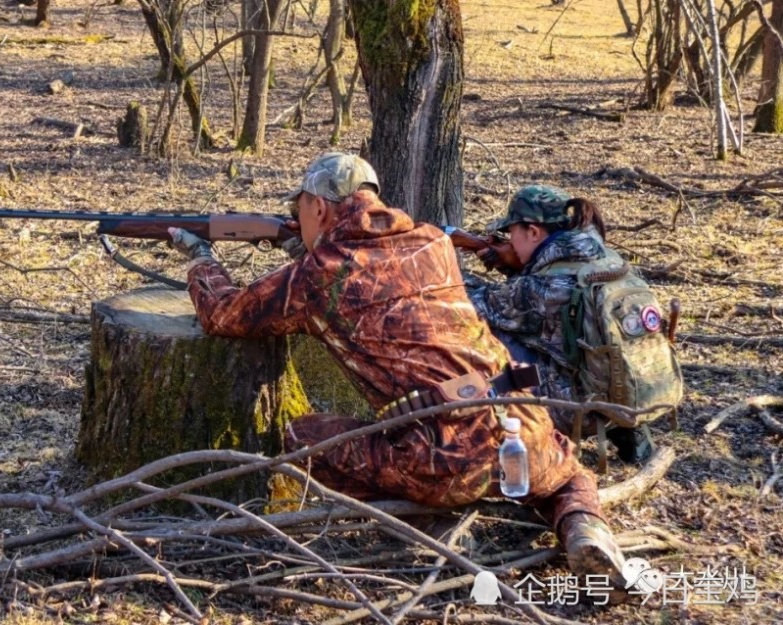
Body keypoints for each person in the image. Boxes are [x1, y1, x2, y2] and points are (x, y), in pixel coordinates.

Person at [167, 153, 628, 591]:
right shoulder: (432, 240)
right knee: (566, 472)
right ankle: (583, 528)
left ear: (321, 209)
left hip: (444, 456)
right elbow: (383, 277)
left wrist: (201, 260)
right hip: (522, 425)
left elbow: (223, 315)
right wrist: (302, 252)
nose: (299, 216)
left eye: (301, 208)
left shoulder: (319, 273)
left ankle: (428, 518)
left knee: (303, 438)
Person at [467, 185, 652, 463]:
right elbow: (538, 303)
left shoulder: (541, 286)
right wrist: (512, 265)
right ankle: (626, 429)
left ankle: (515, 433)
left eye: (511, 232)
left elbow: (471, 303)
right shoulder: (605, 260)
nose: (508, 240)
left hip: (576, 406)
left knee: (488, 336)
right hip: (632, 392)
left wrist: (450, 267)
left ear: (533, 232)